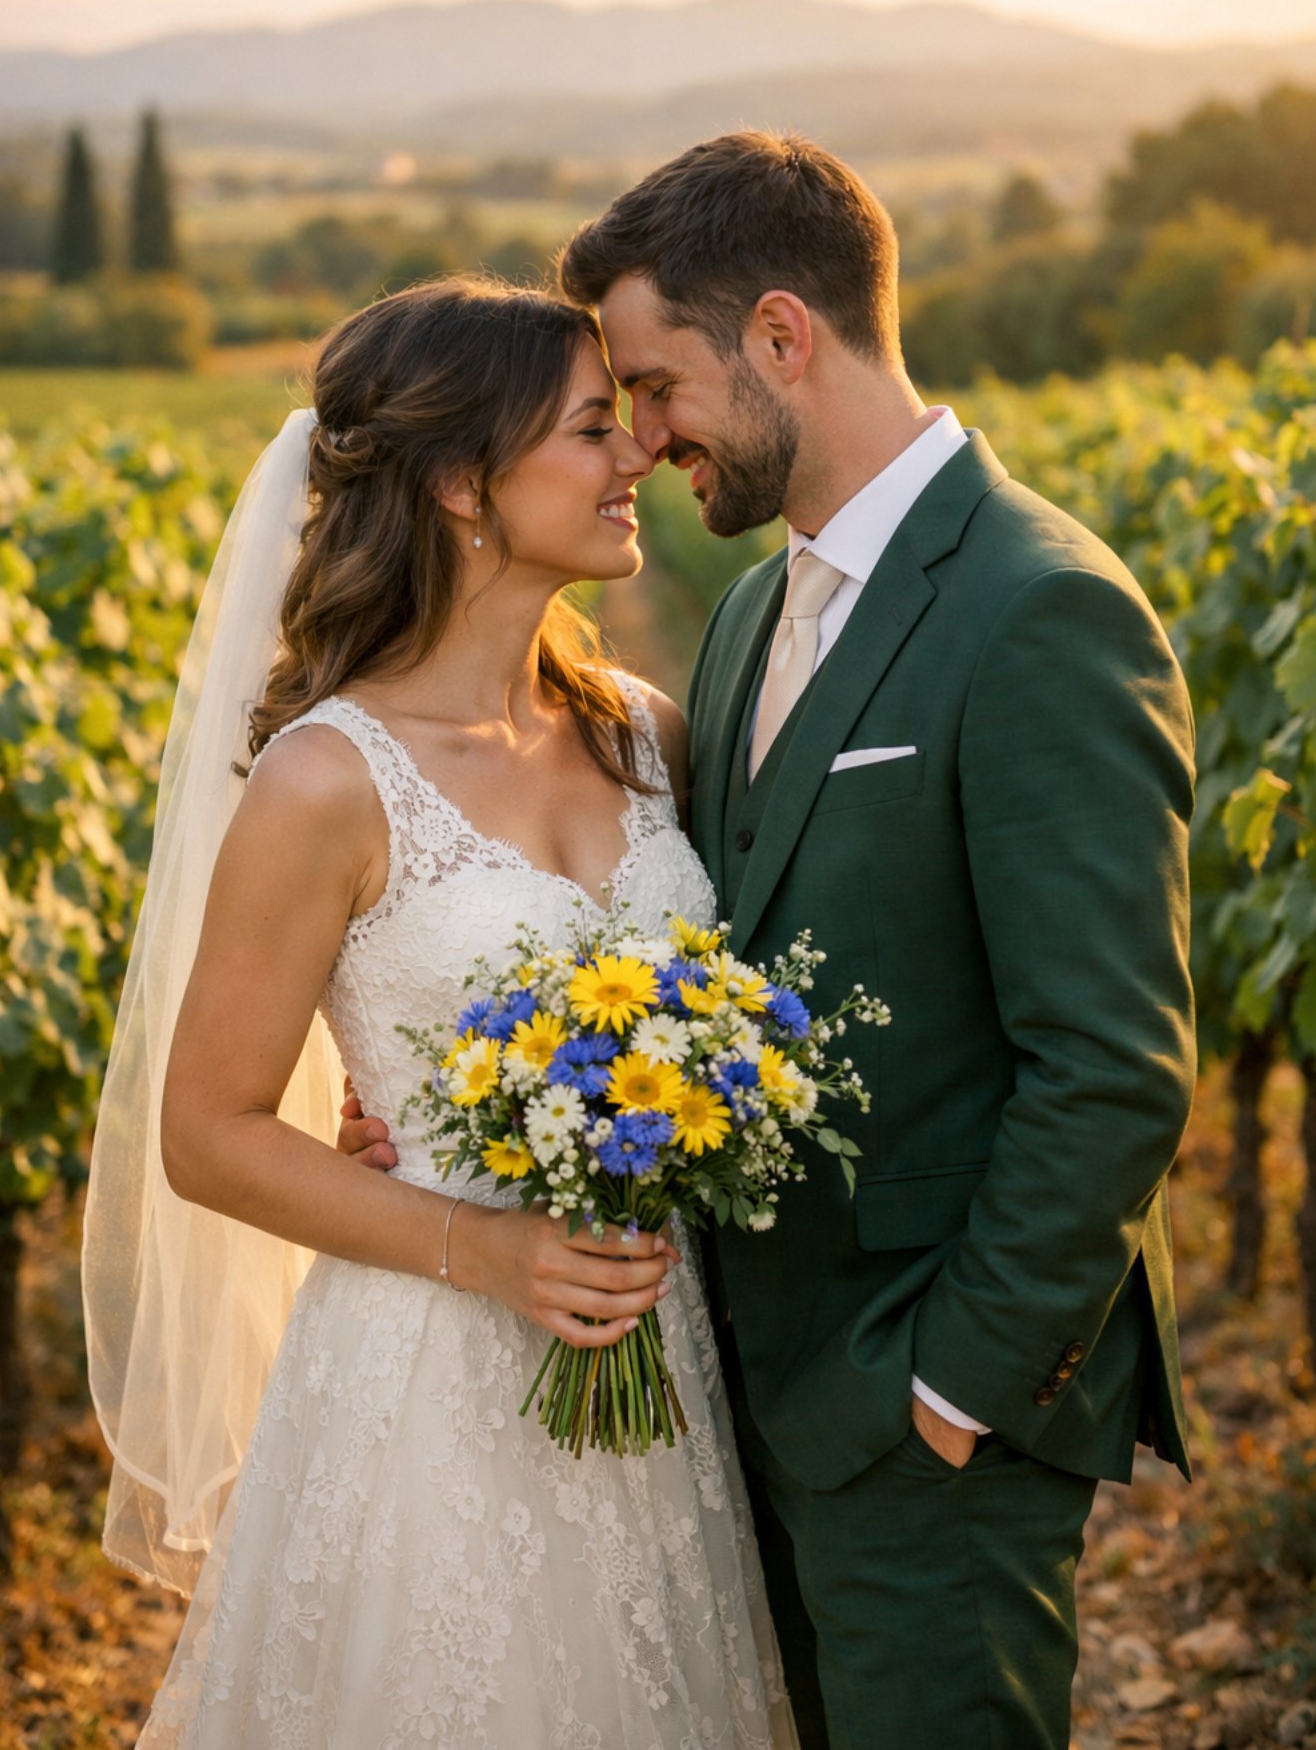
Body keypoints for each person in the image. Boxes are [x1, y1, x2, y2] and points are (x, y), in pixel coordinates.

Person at [344, 132, 1198, 1750]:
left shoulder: (1039, 610)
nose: (641, 440)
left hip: (922, 1421)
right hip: (741, 1408)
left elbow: (1112, 1067)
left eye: (656, 386)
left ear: (784, 336)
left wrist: (948, 1396)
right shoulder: (747, 615)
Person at [83, 276, 798, 1749]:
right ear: (466, 483)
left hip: (659, 1356)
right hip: (433, 1383)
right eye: (594, 427)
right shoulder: (325, 780)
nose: (636, 459)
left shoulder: (646, 731)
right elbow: (208, 1133)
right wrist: (487, 1246)